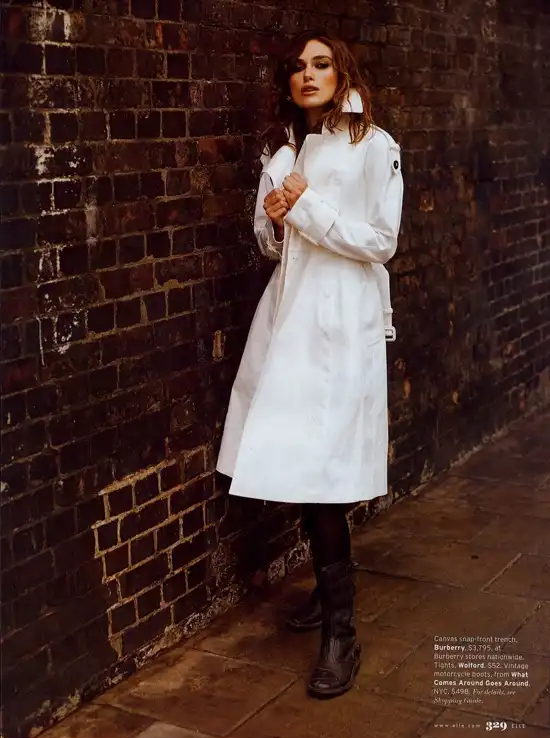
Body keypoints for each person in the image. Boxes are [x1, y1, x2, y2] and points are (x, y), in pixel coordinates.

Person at [216, 30, 404, 699]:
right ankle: (328, 599)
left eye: (321, 64)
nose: (307, 74)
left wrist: (308, 206)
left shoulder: (374, 144)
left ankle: (341, 634)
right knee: (300, 461)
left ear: (343, 72)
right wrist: (276, 220)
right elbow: (278, 247)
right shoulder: (288, 150)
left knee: (324, 475)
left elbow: (381, 242)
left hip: (339, 323)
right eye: (298, 67)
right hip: (287, 316)